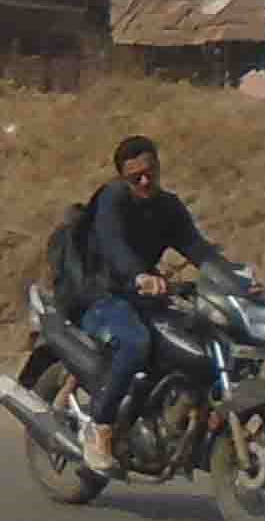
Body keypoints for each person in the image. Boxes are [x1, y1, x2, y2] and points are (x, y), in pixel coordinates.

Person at [62, 132, 235, 481]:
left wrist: (237, 278)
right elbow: (114, 246)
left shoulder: (168, 206)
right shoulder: (112, 199)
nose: (145, 180)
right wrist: (139, 275)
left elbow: (197, 248)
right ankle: (100, 427)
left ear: (158, 167)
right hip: (98, 294)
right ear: (122, 177)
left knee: (188, 338)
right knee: (136, 342)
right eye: (135, 176)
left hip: (142, 293)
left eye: (150, 172)